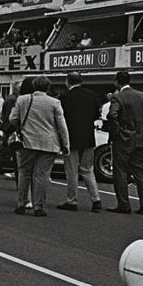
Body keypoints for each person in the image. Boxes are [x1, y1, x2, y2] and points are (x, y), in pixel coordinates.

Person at [8, 76, 70, 216]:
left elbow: (12, 119)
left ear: (34, 86)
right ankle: (39, 206)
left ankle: (22, 203)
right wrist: (66, 144)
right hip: (49, 142)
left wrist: (21, 127)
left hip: (27, 141)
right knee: (42, 175)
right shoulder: (54, 102)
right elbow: (62, 126)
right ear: (48, 87)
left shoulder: (22, 100)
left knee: (24, 173)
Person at [106, 70, 143, 214]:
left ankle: (124, 204)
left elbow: (112, 115)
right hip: (140, 138)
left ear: (116, 82)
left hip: (124, 139)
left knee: (120, 171)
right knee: (140, 171)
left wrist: (117, 132)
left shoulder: (117, 97)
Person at [57, 72, 103, 212]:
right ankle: (96, 199)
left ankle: (72, 200)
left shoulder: (65, 97)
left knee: (71, 170)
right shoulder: (91, 95)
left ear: (68, 81)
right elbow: (96, 114)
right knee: (88, 169)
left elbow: (60, 118)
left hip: (71, 137)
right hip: (88, 136)